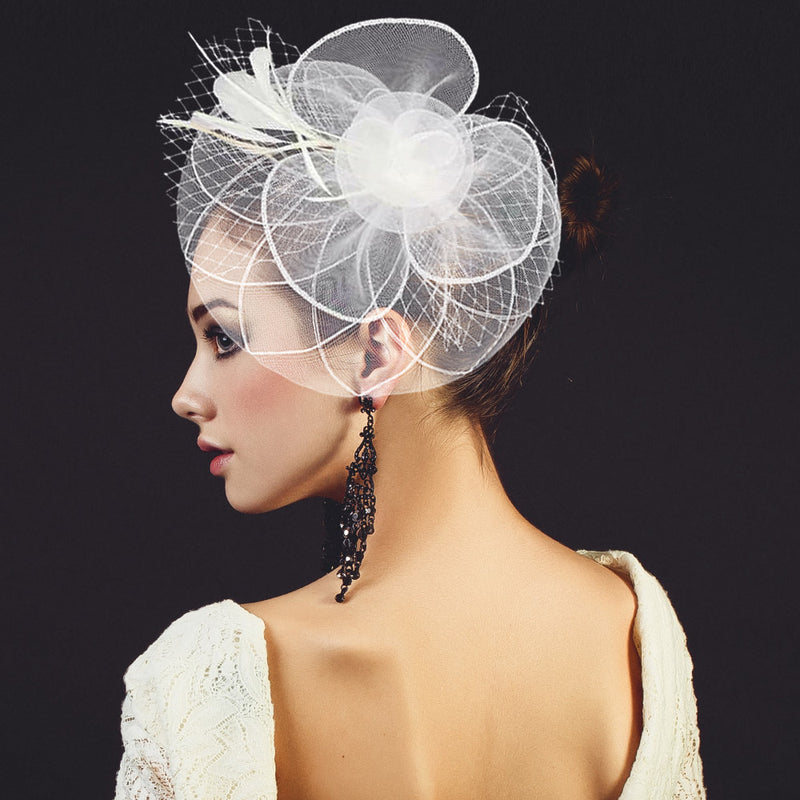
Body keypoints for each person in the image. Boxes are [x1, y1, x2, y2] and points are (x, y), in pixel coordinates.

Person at [114, 18, 705, 799]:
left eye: (225, 337)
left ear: (375, 353)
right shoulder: (633, 631)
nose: (185, 397)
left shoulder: (209, 683)